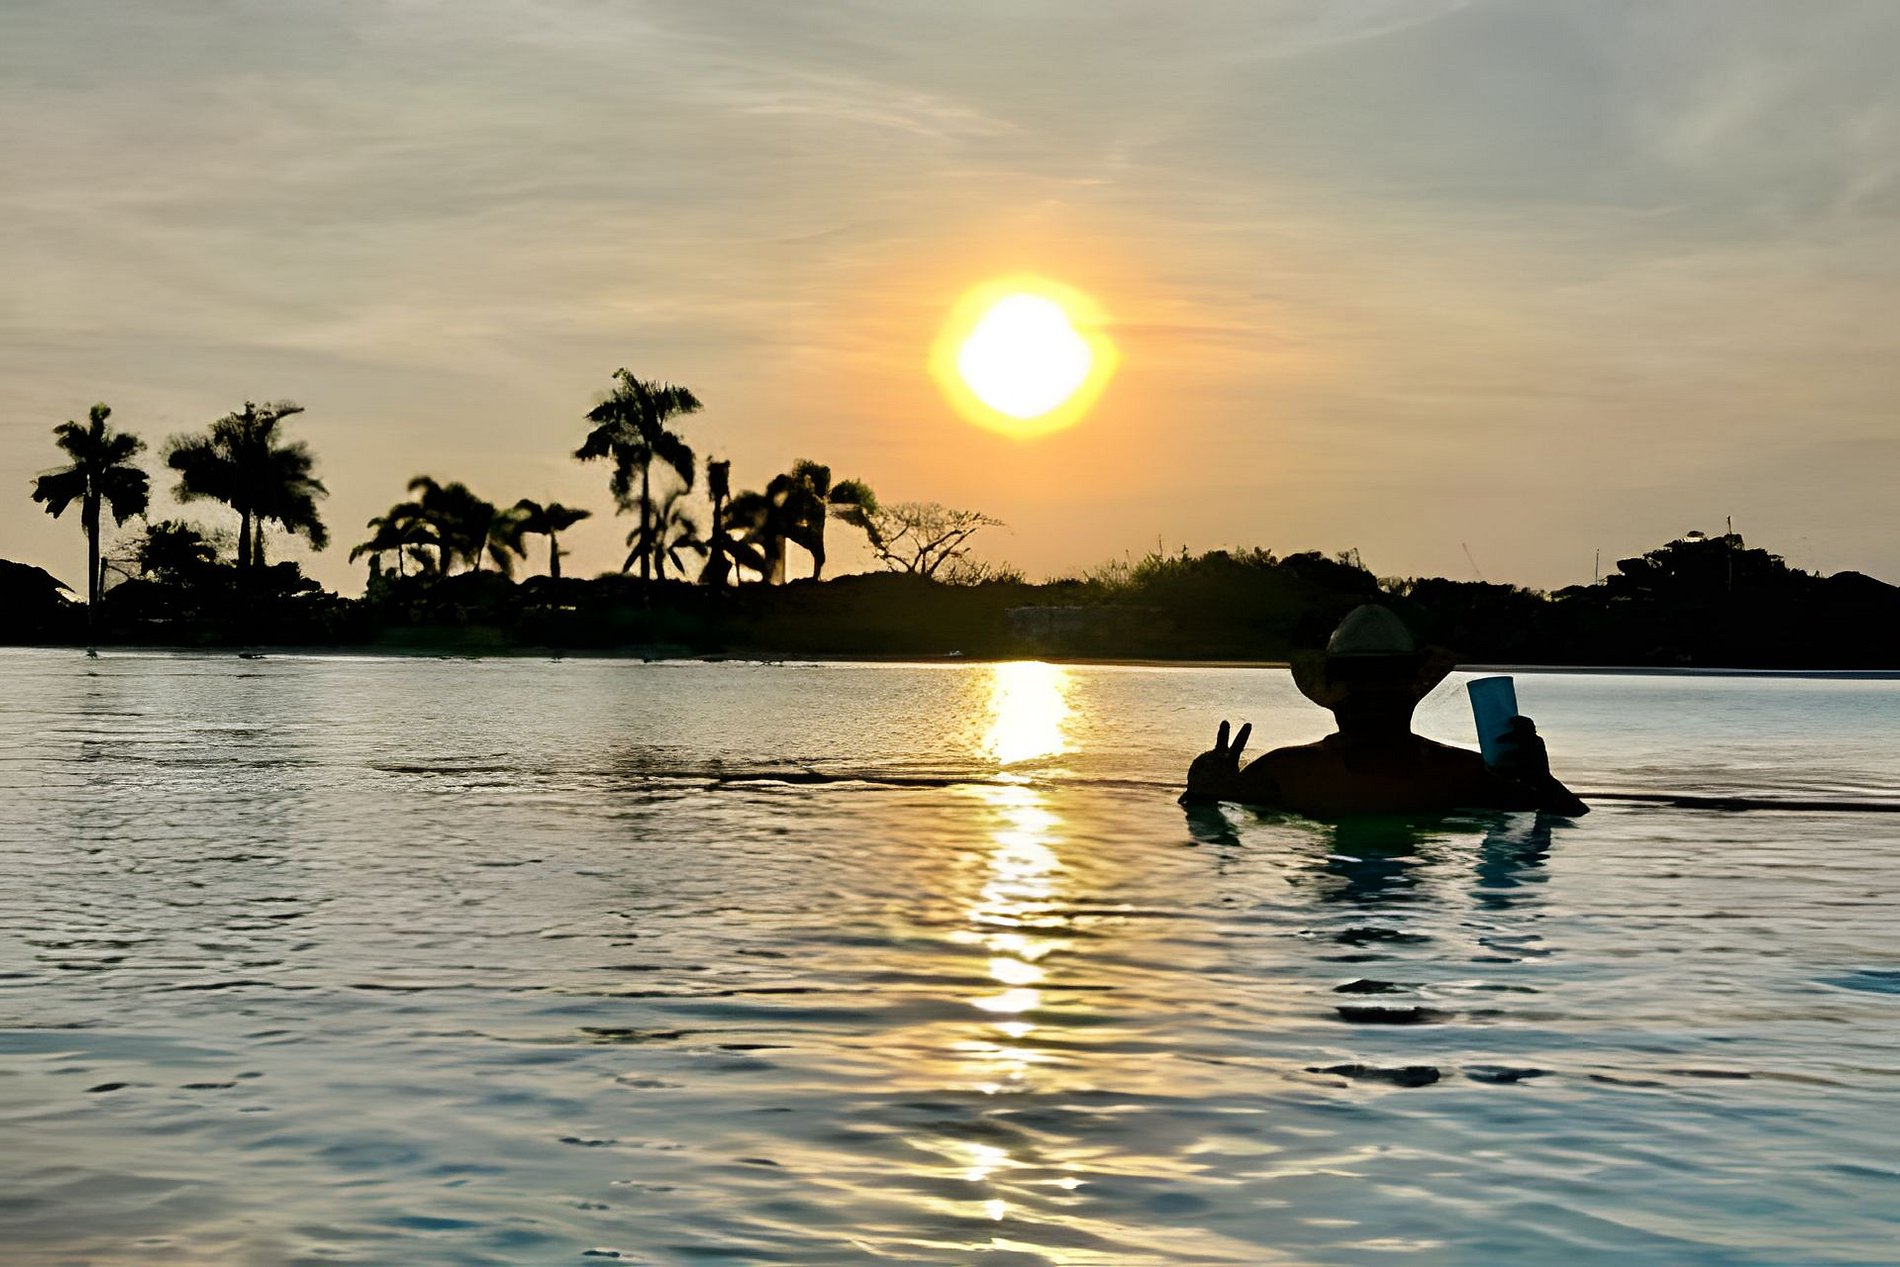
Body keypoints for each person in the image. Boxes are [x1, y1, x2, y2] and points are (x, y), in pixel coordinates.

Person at [1182, 605, 1588, 817]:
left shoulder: (1288, 773)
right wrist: (1204, 792)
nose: (1373, 693)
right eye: (1363, 679)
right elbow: (1559, 820)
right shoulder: (1460, 774)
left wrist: (1542, 780)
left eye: (1383, 678)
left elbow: (1561, 814)